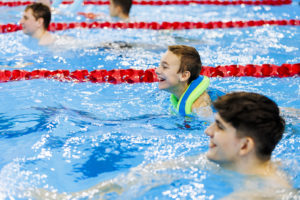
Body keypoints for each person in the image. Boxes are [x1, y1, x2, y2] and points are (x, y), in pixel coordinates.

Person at [155, 45, 212, 116]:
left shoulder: (199, 107)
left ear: (184, 76)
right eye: (159, 65)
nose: (157, 70)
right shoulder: (178, 96)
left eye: (165, 67)